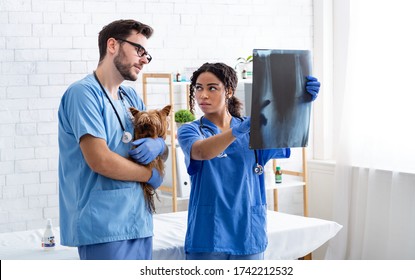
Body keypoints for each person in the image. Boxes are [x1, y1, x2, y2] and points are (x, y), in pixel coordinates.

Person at [177, 62, 320, 260]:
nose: (203, 95)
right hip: (208, 234)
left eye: (212, 88)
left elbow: (288, 134)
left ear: (228, 91)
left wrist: (302, 104)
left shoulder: (253, 129)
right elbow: (201, 152)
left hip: (248, 233)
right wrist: (237, 132)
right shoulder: (191, 130)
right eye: (198, 88)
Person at [58, 19, 167, 260]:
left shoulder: (131, 98)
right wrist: (150, 175)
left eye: (147, 54)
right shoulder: (83, 94)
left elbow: (157, 142)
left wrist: (160, 145)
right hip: (102, 224)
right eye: (139, 50)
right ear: (112, 45)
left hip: (139, 220)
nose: (144, 59)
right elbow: (101, 161)